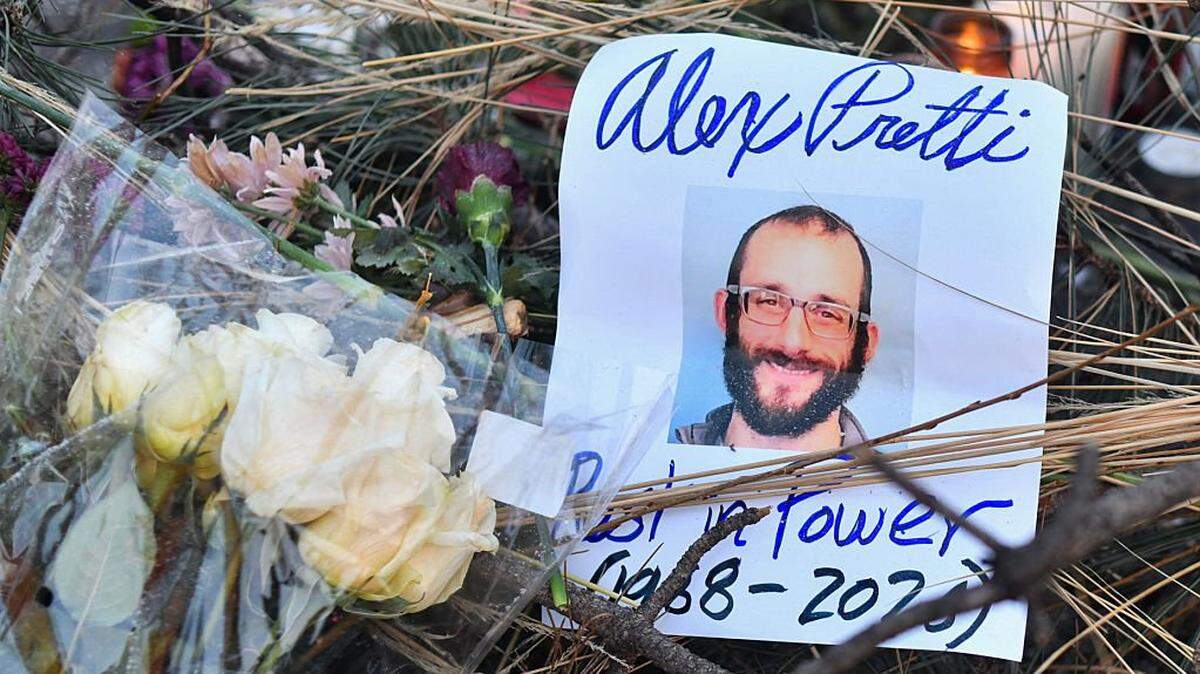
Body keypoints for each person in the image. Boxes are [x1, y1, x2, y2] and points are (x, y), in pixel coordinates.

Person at [674, 205, 879, 451]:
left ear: (866, 344)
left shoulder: (898, 487)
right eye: (769, 301)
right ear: (725, 313)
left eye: (827, 313)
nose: (793, 343)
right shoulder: (644, 463)